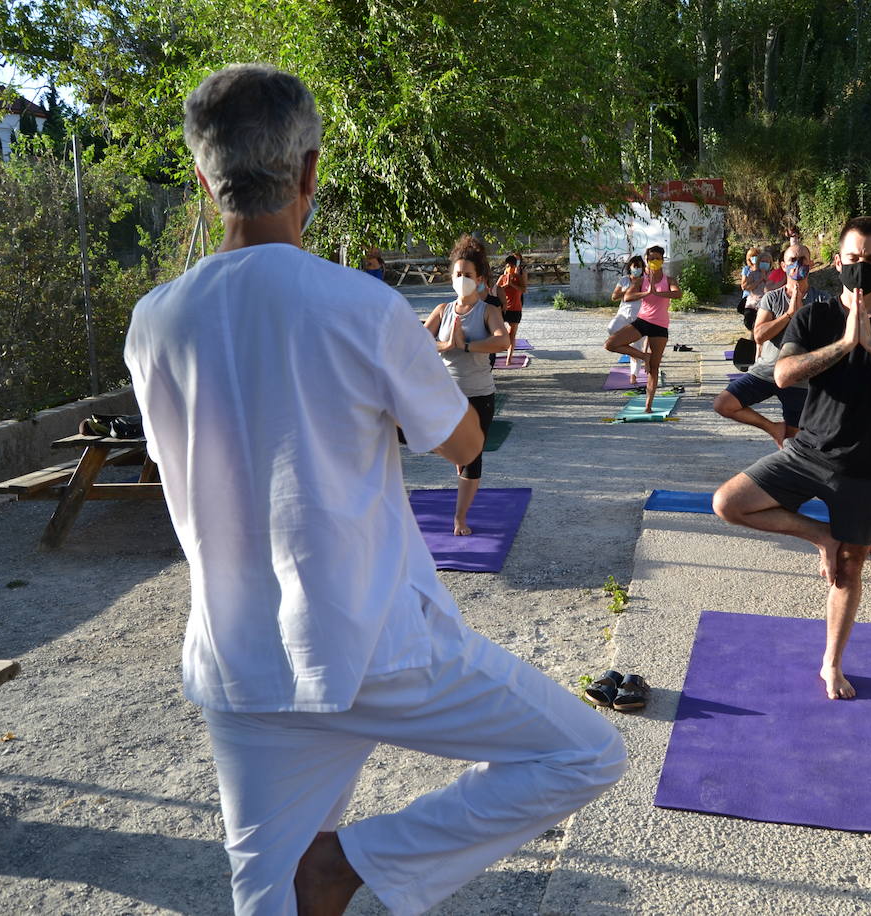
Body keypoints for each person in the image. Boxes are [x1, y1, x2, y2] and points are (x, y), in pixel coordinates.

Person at [124, 65, 625, 916]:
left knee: (264, 899)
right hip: (376, 646)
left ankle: (330, 871)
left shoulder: (154, 320)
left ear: (205, 178)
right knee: (583, 754)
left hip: (241, 659)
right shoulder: (359, 307)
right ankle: (353, 865)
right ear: (310, 172)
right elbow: (463, 443)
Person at [712, 217, 871, 701]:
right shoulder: (814, 317)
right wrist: (844, 344)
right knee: (728, 503)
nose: (863, 267)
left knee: (849, 567)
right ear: (837, 262)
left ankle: (831, 664)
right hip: (808, 452)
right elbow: (783, 374)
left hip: (870, 466)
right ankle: (821, 536)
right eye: (854, 259)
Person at [424, 235, 513, 535]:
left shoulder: (488, 310)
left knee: (473, 459)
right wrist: (445, 344)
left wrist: (466, 348)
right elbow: (418, 340)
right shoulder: (442, 310)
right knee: (456, 454)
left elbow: (503, 340)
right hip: (446, 395)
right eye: (458, 274)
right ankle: (461, 467)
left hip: (478, 395)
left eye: (468, 275)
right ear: (451, 277)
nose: (462, 279)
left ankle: (460, 518)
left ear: (480, 280)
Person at [714, 243, 825, 448]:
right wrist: (789, 314)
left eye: (802, 260)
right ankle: (773, 428)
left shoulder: (822, 300)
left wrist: (802, 316)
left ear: (810, 263)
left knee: (792, 443)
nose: (797, 264)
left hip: (799, 379)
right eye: (792, 260)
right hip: (766, 372)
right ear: (783, 265)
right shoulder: (772, 297)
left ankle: (792, 475)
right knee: (723, 404)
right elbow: (759, 335)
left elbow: (824, 341)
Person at [604, 245, 681, 412]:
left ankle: (648, 405)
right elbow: (628, 296)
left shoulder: (669, 280)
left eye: (657, 258)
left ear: (662, 260)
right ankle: (643, 356)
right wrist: (646, 293)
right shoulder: (641, 280)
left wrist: (658, 293)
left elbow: (677, 294)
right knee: (610, 344)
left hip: (660, 326)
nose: (654, 261)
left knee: (654, 368)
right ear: (647, 260)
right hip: (642, 321)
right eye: (651, 258)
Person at [608, 255, 648, 384]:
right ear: (630, 267)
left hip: (640, 317)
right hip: (623, 315)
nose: (637, 269)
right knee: (611, 329)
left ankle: (634, 375)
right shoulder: (624, 280)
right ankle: (628, 349)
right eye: (635, 266)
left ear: (643, 268)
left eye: (639, 266)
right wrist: (628, 290)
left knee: (638, 346)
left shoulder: (645, 280)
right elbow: (614, 297)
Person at [496, 252, 527, 365]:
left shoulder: (519, 277)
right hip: (503, 309)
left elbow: (524, 290)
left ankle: (509, 358)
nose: (510, 268)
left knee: (512, 334)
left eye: (512, 266)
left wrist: (512, 284)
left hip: (516, 308)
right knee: (498, 332)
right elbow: (494, 290)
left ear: (515, 267)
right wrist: (505, 285)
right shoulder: (502, 277)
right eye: (508, 266)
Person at [739, 246, 776, 331]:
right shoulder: (753, 274)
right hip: (753, 303)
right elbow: (745, 287)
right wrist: (759, 280)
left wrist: (765, 278)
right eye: (763, 261)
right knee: (749, 323)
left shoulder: (773, 274)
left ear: (770, 263)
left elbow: (773, 287)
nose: (765, 263)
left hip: (767, 303)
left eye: (767, 262)